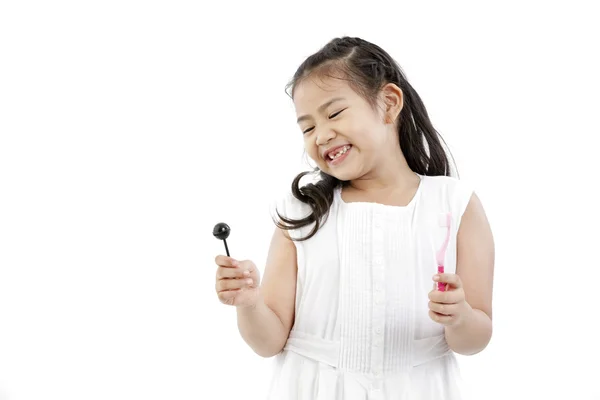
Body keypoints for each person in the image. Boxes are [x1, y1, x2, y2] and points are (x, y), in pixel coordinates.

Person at [214, 36, 495, 399]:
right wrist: (250, 303)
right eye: (307, 127)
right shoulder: (301, 214)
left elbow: (475, 340)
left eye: (333, 113)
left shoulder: (454, 205)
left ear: (389, 103)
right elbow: (269, 342)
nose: (322, 135)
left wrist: (460, 316)